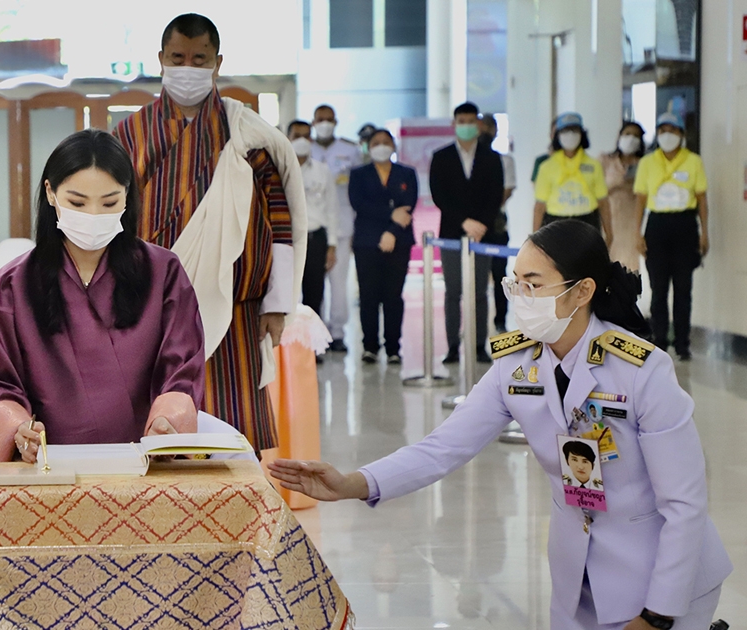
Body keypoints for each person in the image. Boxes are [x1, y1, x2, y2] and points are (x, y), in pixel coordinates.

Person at [270, 219, 731, 630]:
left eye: (534, 284)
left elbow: (684, 504)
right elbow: (442, 448)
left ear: (582, 291)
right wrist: (352, 483)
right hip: (578, 582)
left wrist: (657, 615)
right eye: (516, 284)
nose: (521, 298)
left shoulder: (641, 370)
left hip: (662, 580)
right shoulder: (517, 365)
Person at [112, 14, 306, 453]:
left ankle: (238, 496)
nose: (188, 68)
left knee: (233, 431)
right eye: (178, 58)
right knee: (156, 425)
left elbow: (280, 219)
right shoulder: (130, 134)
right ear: (161, 59)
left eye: (199, 59)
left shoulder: (248, 133)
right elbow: (112, 215)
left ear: (217, 63)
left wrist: (278, 303)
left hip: (235, 307)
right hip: (151, 304)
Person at [0, 129, 206, 462]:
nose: (93, 215)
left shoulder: (163, 273)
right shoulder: (13, 285)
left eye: (109, 203)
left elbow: (182, 369)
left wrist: (167, 422)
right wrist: (19, 430)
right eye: (77, 203)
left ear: (127, 196)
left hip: (145, 463)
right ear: (51, 193)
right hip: (51, 467)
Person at [430, 102, 505, 364]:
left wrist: (480, 224)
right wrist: (464, 222)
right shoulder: (441, 157)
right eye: (461, 122)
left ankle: (479, 345)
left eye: (471, 121)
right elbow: (439, 195)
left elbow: (495, 195)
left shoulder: (492, 158)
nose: (466, 126)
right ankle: (452, 346)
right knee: (453, 291)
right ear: (454, 124)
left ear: (479, 125)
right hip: (452, 234)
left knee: (479, 293)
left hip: (482, 235)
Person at [633, 112, 709, 361]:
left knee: (683, 288)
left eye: (672, 130)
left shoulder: (693, 161)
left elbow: (701, 199)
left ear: (681, 134)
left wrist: (704, 233)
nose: (667, 135)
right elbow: (640, 200)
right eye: (662, 130)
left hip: (685, 225)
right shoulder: (648, 162)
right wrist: (638, 233)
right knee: (659, 288)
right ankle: (660, 340)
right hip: (657, 225)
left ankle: (683, 343)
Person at [349, 129, 417, 365]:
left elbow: (407, 208)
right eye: (376, 142)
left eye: (386, 142)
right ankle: (370, 347)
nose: (381, 146)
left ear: (394, 146)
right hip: (367, 242)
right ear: (368, 147)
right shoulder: (358, 174)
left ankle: (393, 348)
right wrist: (390, 215)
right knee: (368, 295)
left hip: (400, 241)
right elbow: (359, 204)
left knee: (393, 296)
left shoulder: (407, 173)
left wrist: (392, 232)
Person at [310, 105, 362, 353]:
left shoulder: (350, 150)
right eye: (321, 119)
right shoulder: (304, 149)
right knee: (312, 284)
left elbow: (358, 189)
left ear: (336, 122)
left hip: (342, 226)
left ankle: (338, 332)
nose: (325, 124)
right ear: (313, 122)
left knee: (339, 283)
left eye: (329, 120)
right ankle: (315, 332)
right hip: (312, 227)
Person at [288, 119, 338, 361]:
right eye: (296, 135)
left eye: (306, 136)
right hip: (286, 240)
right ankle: (288, 346)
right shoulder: (278, 167)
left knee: (314, 294)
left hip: (315, 238)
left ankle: (312, 347)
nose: (302, 140)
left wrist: (332, 245)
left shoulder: (322, 170)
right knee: (286, 294)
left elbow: (332, 209)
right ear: (287, 138)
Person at [533, 112, 612, 242]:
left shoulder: (593, 165)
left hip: (587, 221)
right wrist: (535, 238)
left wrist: (609, 233)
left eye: (574, 130)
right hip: (555, 223)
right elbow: (539, 206)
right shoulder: (547, 167)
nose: (570, 134)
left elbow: (603, 202)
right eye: (565, 131)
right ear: (557, 136)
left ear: (582, 134)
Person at [479, 114, 517, 333]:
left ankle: (500, 319)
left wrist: (487, 208)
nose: (484, 132)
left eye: (488, 128)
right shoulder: (470, 162)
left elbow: (507, 191)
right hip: (474, 224)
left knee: (499, 272)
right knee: (475, 276)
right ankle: (475, 321)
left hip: (497, 223)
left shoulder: (505, 160)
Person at [602, 122, 647, 272]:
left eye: (636, 136)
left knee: (630, 266)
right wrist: (618, 183)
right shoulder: (606, 160)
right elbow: (596, 190)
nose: (631, 139)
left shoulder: (644, 164)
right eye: (627, 134)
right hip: (609, 218)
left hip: (632, 220)